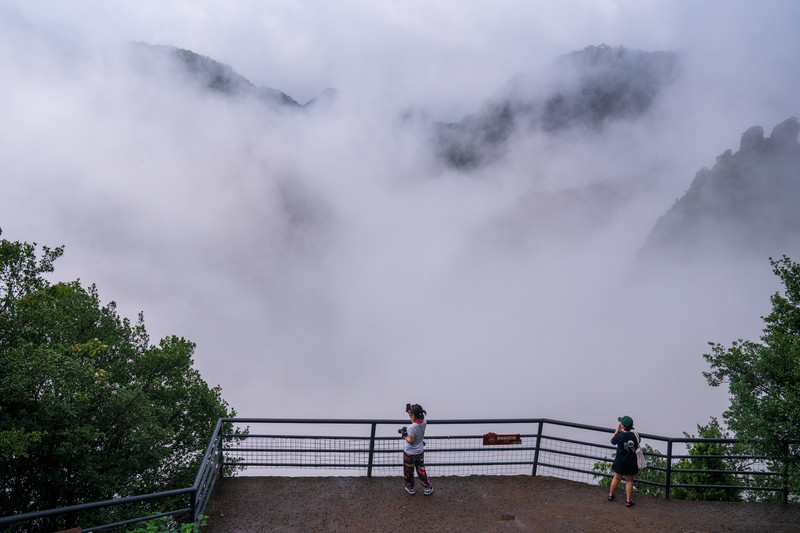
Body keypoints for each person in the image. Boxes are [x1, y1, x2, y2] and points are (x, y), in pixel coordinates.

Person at [401, 403, 433, 495]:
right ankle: (427, 487)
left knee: (409, 471)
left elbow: (411, 440)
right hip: (419, 451)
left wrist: (404, 435)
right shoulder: (424, 421)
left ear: (414, 415)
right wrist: (410, 413)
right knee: (421, 469)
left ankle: (410, 487)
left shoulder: (411, 427)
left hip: (409, 453)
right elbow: (415, 421)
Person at [608, 415, 639, 507]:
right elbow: (638, 443)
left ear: (623, 426)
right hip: (631, 462)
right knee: (629, 480)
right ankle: (628, 501)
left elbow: (612, 441)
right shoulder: (635, 435)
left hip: (620, 461)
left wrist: (617, 430)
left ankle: (611, 495)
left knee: (616, 478)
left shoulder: (619, 435)